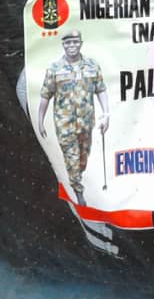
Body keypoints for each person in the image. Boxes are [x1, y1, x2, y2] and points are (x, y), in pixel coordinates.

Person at [37, 29, 109, 206]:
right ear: (63, 45)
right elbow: (45, 95)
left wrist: (106, 114)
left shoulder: (92, 66)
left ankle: (77, 175)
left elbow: (101, 89)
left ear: (81, 44)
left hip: (86, 123)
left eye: (75, 42)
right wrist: (40, 120)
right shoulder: (54, 69)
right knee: (72, 159)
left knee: (83, 158)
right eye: (68, 42)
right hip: (65, 125)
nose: (72, 46)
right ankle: (78, 192)